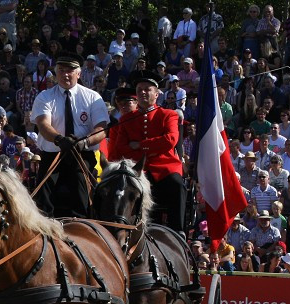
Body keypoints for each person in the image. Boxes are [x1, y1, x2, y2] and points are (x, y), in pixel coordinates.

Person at [30, 52, 108, 218]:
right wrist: (59, 139)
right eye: (61, 70)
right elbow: (43, 125)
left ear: (78, 73)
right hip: (53, 153)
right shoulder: (44, 97)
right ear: (55, 73)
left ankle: (81, 224)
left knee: (80, 184)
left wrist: (84, 142)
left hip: (82, 153)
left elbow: (101, 128)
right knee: (43, 190)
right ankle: (44, 228)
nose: (65, 74)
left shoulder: (93, 97)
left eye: (70, 70)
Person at [109, 71, 185, 230]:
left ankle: (178, 231)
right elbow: (121, 148)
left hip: (164, 167)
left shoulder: (168, 115)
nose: (142, 92)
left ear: (156, 94)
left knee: (177, 185)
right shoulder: (126, 119)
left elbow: (170, 140)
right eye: (139, 90)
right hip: (138, 169)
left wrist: (140, 145)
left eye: (147, 89)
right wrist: (153, 148)